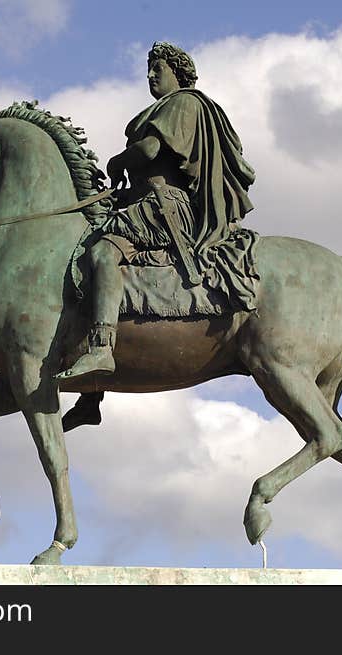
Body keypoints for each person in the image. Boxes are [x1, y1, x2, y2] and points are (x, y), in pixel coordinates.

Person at [58, 42, 257, 416]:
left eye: (158, 69)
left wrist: (119, 161)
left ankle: (101, 349)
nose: (151, 76)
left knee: (102, 252)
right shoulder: (163, 107)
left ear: (177, 73)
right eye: (148, 70)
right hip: (142, 203)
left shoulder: (185, 102)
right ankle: (91, 396)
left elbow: (150, 150)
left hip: (164, 207)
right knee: (85, 252)